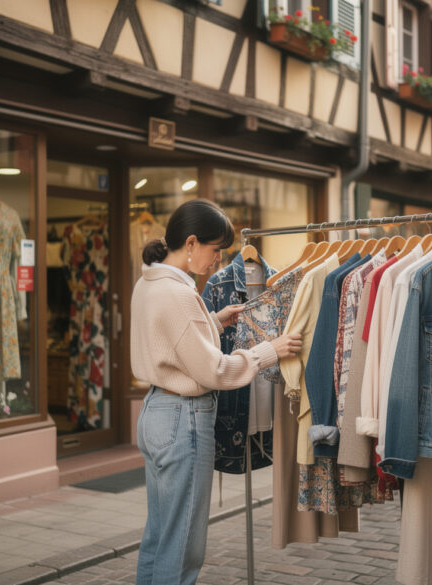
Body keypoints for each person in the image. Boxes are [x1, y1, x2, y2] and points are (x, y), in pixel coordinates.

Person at [129, 199, 302, 585]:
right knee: (183, 546)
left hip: (157, 412)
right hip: (183, 417)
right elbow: (215, 371)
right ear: (191, 243)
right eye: (215, 250)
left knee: (159, 537)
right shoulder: (177, 295)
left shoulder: (149, 282)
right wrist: (268, 351)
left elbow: (170, 339)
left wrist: (214, 319)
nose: (218, 260)